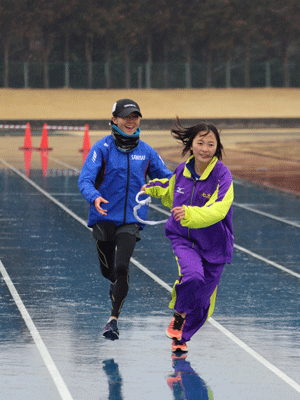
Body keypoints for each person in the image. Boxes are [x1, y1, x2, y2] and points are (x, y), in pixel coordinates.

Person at [78, 98, 172, 340]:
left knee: (122, 267)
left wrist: (190, 182)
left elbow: (168, 179)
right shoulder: (102, 148)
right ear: (114, 119)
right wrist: (94, 197)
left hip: (132, 218)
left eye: (135, 116)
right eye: (125, 116)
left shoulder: (147, 151)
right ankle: (114, 283)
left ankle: (113, 321)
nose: (131, 121)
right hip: (103, 217)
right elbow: (85, 180)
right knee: (108, 270)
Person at [141, 119, 234, 353]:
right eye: (200, 143)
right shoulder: (182, 170)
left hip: (215, 246)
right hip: (183, 239)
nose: (205, 148)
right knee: (192, 276)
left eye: (211, 144)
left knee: (203, 302)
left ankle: (181, 337)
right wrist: (151, 187)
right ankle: (179, 316)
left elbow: (218, 209)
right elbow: (169, 188)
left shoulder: (223, 176)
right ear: (191, 145)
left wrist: (190, 213)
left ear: (217, 148)